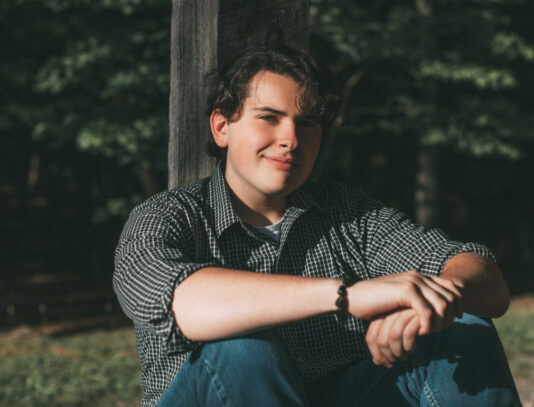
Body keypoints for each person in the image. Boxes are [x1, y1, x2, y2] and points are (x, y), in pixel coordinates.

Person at [113, 47, 521, 407]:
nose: (291, 138)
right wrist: (345, 296)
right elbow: (178, 303)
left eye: (307, 123)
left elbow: (484, 277)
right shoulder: (166, 217)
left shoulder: (347, 213)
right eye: (269, 118)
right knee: (242, 350)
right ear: (222, 126)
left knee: (462, 328)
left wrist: (432, 304)